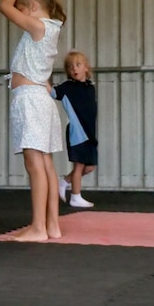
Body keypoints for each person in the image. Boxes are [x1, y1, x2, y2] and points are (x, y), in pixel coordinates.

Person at [0, 0, 66, 242]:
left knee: (35, 163)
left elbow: (4, 5)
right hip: (39, 99)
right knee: (45, 162)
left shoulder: (39, 26)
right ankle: (51, 224)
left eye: (23, 9)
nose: (20, 15)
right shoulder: (50, 29)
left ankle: (39, 227)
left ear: (34, 8)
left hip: (30, 100)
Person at [52, 50, 97, 208]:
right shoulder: (67, 88)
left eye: (78, 65)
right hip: (78, 133)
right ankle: (76, 196)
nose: (74, 69)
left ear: (86, 67)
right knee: (79, 165)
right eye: (70, 67)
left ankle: (63, 182)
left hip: (90, 133)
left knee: (89, 167)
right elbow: (51, 92)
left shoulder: (89, 87)